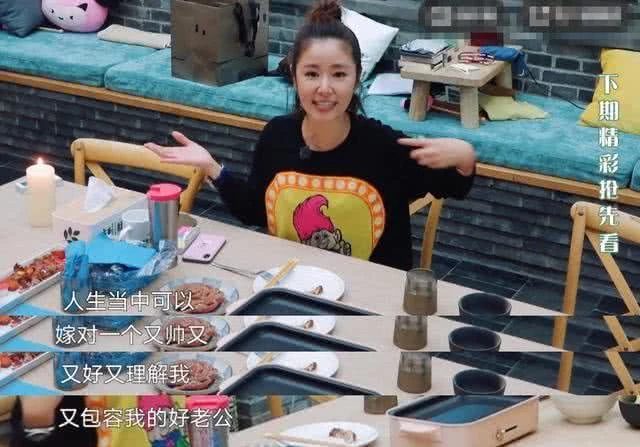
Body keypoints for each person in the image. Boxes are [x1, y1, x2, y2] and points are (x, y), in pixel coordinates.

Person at [146, 0, 476, 271]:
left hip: (371, 299)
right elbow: (256, 211)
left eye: (339, 74)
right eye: (312, 74)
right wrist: (212, 167)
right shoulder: (277, 136)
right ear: (294, 75)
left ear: (356, 79)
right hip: (293, 287)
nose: (324, 88)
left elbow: (453, 185)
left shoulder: (384, 147)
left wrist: (464, 155)